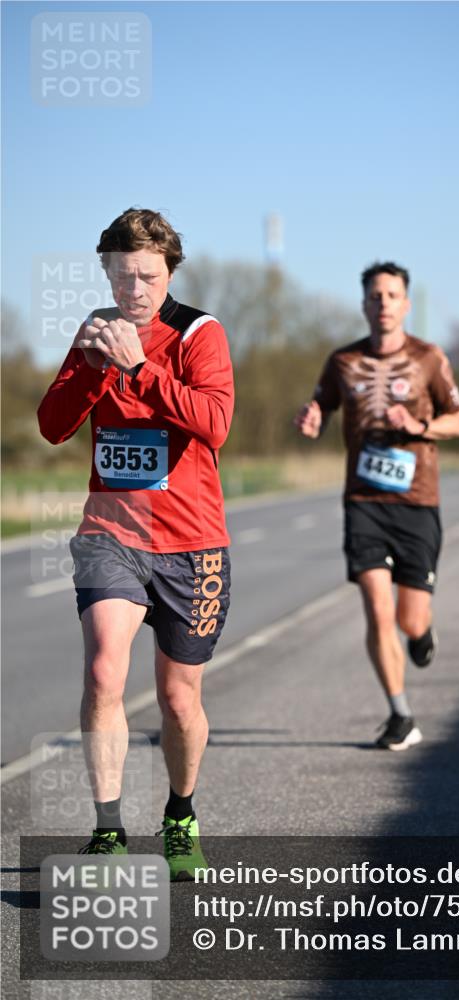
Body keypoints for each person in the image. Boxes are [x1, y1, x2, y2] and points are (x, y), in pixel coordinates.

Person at [37, 208, 234, 879]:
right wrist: (95, 367)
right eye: (123, 279)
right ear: (107, 273)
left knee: (179, 699)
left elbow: (214, 424)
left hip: (190, 542)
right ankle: (108, 829)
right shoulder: (93, 333)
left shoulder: (199, 333)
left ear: (169, 271)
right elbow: (53, 427)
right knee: (102, 671)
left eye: (147, 277)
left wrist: (140, 367)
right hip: (111, 537)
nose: (135, 292)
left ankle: (180, 812)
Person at [294, 262, 459, 750]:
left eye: (393, 295)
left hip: (417, 502)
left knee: (410, 621)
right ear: (364, 304)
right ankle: (400, 714)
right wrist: (312, 419)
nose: (384, 303)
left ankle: (422, 632)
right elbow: (320, 407)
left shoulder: (429, 358)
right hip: (363, 500)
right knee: (376, 607)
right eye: (375, 295)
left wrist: (418, 427)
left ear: (406, 304)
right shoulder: (343, 361)